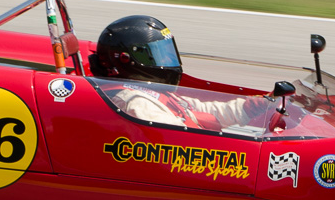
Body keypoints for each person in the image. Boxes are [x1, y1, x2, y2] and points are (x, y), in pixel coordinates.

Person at [90, 15, 268, 129]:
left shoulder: (154, 93)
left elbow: (202, 111)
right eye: (158, 55)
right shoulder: (134, 103)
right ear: (127, 59)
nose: (167, 61)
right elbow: (183, 139)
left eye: (167, 53)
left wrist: (253, 106)